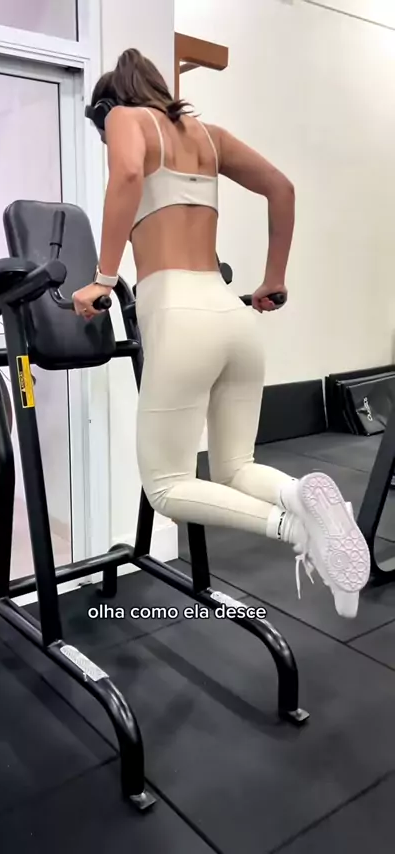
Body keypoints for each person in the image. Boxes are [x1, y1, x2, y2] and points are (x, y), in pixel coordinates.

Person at [73, 47, 370, 618]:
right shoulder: (211, 138)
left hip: (179, 318)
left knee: (166, 486)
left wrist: (102, 280)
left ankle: (298, 529)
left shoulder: (124, 118)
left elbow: (129, 173)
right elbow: (282, 188)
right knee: (236, 467)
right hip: (234, 320)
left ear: (109, 106)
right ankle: (302, 496)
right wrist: (274, 279)